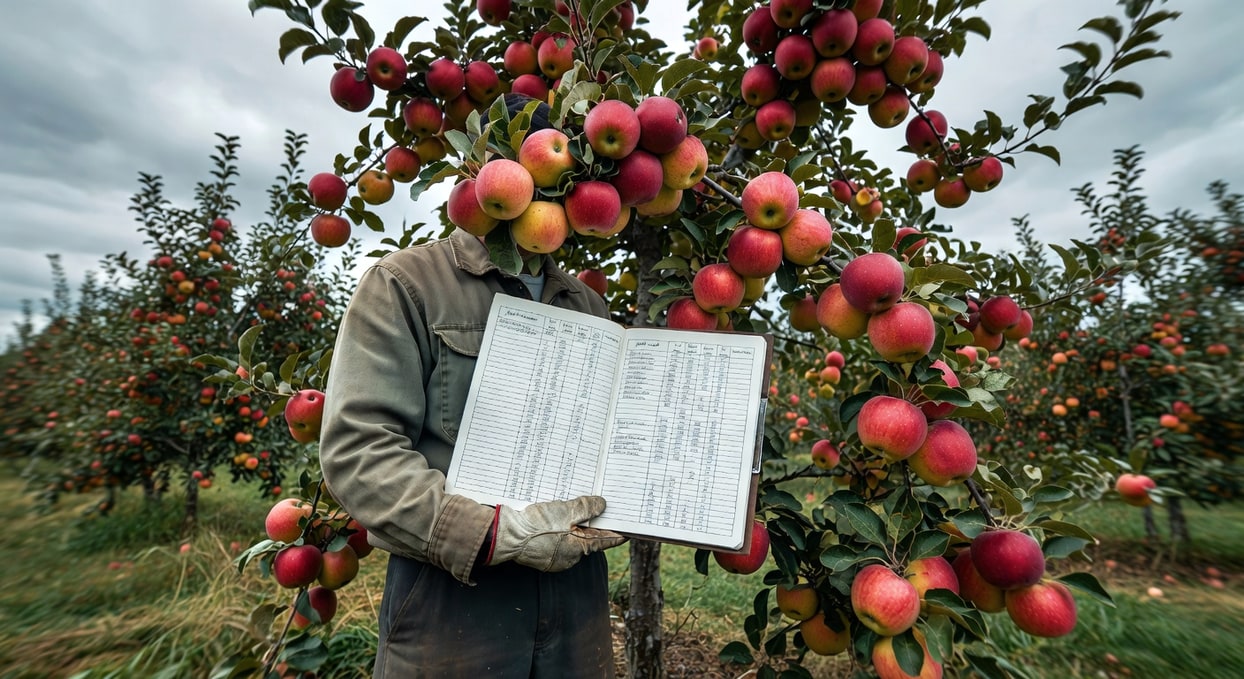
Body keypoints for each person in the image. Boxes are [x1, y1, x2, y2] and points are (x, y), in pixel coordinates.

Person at [319, 96, 626, 677]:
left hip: (579, 604)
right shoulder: (406, 285)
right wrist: (492, 534)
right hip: (452, 606)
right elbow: (359, 451)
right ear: (488, 173)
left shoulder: (590, 307)